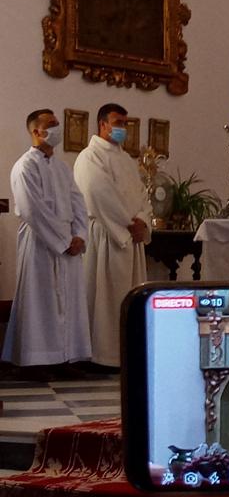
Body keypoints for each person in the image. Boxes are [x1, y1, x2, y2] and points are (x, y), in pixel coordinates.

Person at [2, 110, 92, 377]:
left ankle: (64, 358)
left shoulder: (63, 168)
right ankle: (35, 361)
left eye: (56, 124)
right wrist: (63, 240)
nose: (56, 129)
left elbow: (78, 203)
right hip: (40, 241)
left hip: (69, 243)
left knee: (68, 302)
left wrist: (79, 236)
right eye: (50, 125)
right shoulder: (25, 166)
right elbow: (32, 209)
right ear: (35, 132)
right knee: (40, 301)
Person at [74, 103, 151, 369]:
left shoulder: (126, 159)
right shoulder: (89, 156)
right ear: (102, 124)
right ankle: (101, 356)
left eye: (125, 124)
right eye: (118, 122)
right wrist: (128, 224)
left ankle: (124, 354)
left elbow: (142, 194)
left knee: (128, 296)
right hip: (107, 235)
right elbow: (98, 194)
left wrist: (143, 220)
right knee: (104, 299)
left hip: (131, 237)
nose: (123, 129)